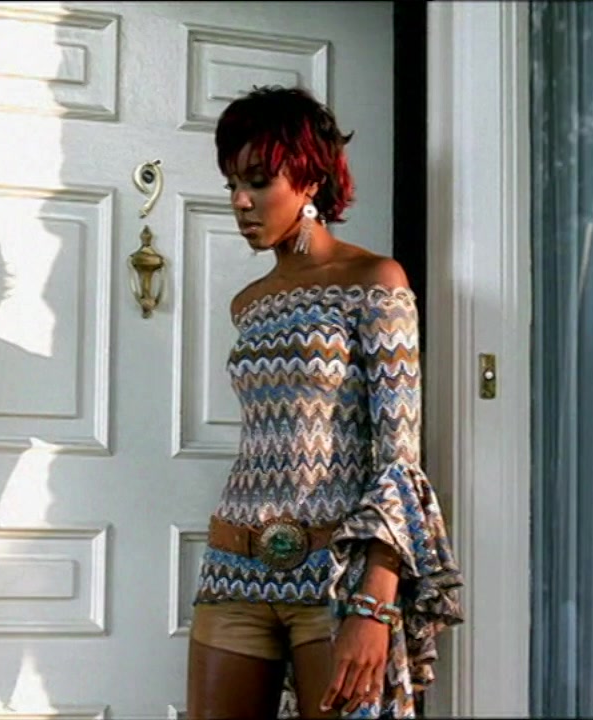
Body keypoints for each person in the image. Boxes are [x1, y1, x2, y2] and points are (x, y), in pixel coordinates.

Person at [187, 85, 463, 719]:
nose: (240, 201)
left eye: (259, 181)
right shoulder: (249, 304)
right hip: (233, 569)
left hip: (334, 577)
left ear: (309, 179)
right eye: (233, 183)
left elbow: (399, 460)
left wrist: (374, 602)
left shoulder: (374, 281)